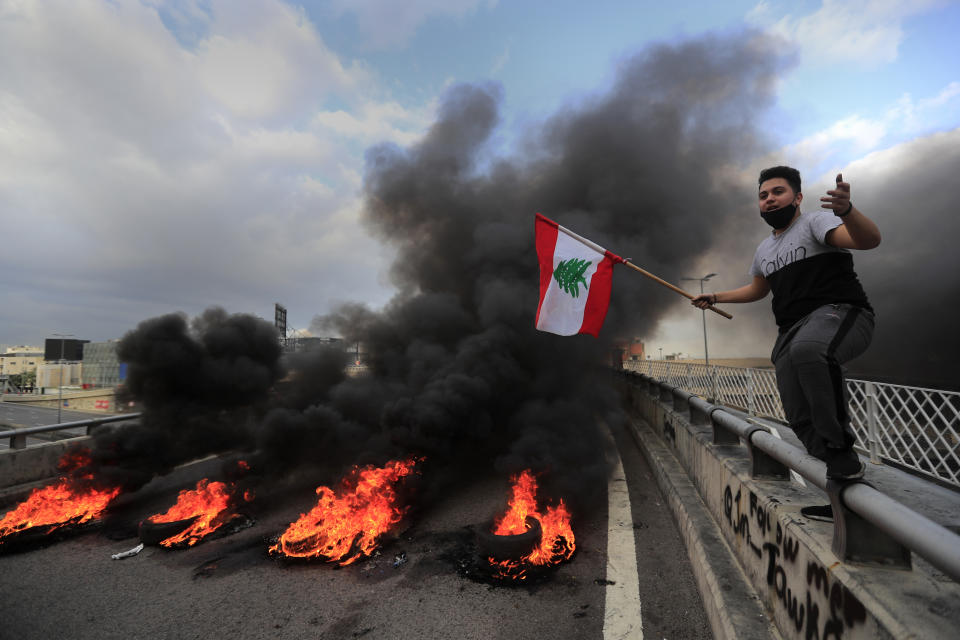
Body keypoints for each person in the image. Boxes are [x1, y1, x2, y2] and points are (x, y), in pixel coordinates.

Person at [692, 166, 881, 521]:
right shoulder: (764, 249)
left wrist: (847, 212)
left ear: (797, 197)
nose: (769, 199)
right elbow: (758, 290)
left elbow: (868, 240)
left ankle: (843, 453)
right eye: (763, 196)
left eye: (777, 192)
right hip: (791, 331)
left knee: (810, 350)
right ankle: (844, 496)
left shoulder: (816, 223)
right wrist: (716, 296)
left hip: (839, 313)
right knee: (798, 414)